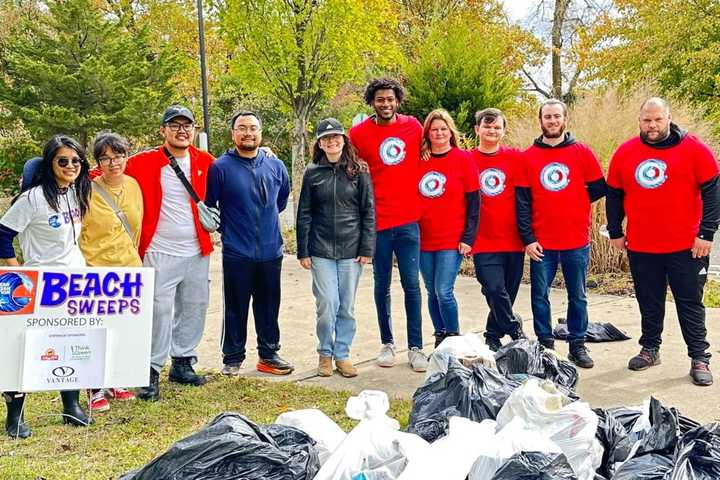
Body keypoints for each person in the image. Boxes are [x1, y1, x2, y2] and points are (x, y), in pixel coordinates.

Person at [606, 97, 719, 386]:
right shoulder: (626, 152)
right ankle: (650, 349)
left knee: (689, 302)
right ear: (639, 121)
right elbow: (615, 194)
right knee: (649, 300)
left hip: (687, 247)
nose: (652, 125)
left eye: (658, 119)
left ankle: (699, 357)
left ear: (668, 118)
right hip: (643, 246)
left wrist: (706, 233)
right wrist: (616, 230)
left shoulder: (695, 150)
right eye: (647, 120)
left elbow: (712, 194)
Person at [0, 135, 93, 438]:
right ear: (49, 163)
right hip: (39, 284)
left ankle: (71, 405)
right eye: (62, 161)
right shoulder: (33, 198)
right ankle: (15, 415)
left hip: (73, 283)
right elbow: (2, 235)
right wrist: (19, 275)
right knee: (22, 347)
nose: (70, 166)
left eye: (76, 161)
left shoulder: (77, 192)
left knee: (71, 343)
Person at [130, 105, 215, 402]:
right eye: (174, 125)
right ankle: (150, 370)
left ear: (193, 129)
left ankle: (182, 361)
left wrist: (265, 154)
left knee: (194, 305)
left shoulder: (206, 161)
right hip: (159, 250)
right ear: (163, 130)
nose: (182, 130)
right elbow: (105, 169)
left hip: (197, 249)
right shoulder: (143, 162)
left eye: (187, 125)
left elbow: (234, 169)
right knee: (158, 311)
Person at [516, 98, 606, 368]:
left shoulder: (581, 152)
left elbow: (599, 188)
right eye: (547, 117)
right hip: (541, 242)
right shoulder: (528, 157)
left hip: (575, 241)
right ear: (540, 121)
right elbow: (521, 202)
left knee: (577, 295)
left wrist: (576, 201)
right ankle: (545, 345)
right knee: (539, 295)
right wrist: (528, 239)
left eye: (557, 116)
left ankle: (577, 344)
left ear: (565, 119)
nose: (552, 121)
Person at [348, 78, 428, 372]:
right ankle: (387, 343)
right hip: (377, 222)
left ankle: (416, 347)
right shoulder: (358, 134)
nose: (385, 104)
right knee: (381, 284)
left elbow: (433, 151)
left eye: (390, 99)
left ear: (398, 101)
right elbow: (346, 164)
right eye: (380, 99)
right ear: (372, 101)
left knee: (411, 285)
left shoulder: (413, 126)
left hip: (408, 220)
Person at [205, 111, 294, 376]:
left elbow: (281, 201)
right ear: (233, 134)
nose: (248, 133)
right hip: (237, 252)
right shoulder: (220, 167)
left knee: (269, 306)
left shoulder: (275, 166)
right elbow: (211, 207)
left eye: (253, 128)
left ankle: (268, 354)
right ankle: (232, 357)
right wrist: (231, 230)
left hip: (270, 250)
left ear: (260, 133)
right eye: (241, 128)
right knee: (236, 306)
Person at [296, 118, 375, 377]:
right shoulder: (312, 172)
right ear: (319, 143)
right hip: (320, 250)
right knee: (327, 304)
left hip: (352, 250)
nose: (332, 141)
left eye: (336, 137)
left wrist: (366, 247)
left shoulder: (359, 170)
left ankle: (342, 353)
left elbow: (368, 211)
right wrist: (303, 250)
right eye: (326, 138)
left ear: (344, 140)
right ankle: (325, 353)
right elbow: (304, 213)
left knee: (346, 306)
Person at [79, 132, 141, 412]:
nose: (113, 162)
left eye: (118, 155)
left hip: (128, 268)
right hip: (96, 270)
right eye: (105, 157)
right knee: (97, 331)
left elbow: (136, 228)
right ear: (98, 162)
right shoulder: (87, 191)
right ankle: (94, 387)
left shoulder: (133, 185)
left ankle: (118, 380)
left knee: (123, 329)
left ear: (126, 156)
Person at [417, 109, 479, 348]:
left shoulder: (463, 159)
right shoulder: (420, 159)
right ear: (428, 133)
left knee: (444, 290)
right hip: (423, 238)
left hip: (451, 239)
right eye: (434, 130)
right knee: (431, 291)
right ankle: (440, 337)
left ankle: (454, 339)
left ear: (450, 131)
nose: (439, 133)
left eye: (443, 129)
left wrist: (468, 237)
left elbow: (474, 202)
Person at [470, 108, 526, 352]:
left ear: (503, 131)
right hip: (483, 239)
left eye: (496, 127)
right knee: (493, 288)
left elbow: (527, 195)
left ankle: (492, 335)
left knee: (505, 294)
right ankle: (515, 329)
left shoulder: (515, 157)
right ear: (477, 129)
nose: (491, 131)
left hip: (513, 238)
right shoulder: (467, 159)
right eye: (487, 126)